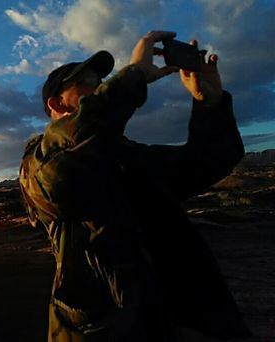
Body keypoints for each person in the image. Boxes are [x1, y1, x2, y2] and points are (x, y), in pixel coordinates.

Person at [19, 30, 252, 341]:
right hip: (104, 329)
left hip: (171, 321)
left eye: (101, 81)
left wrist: (209, 102)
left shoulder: (128, 155)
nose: (99, 86)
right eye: (87, 81)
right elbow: (63, 171)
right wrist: (134, 76)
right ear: (56, 103)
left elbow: (205, 162)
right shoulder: (38, 164)